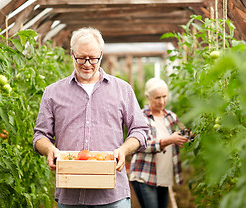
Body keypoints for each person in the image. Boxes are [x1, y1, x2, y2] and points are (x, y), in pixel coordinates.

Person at [33, 27, 149, 207]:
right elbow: (40, 135)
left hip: (113, 195)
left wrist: (124, 150)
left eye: (93, 58)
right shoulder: (53, 93)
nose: (87, 63)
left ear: (101, 55)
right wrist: (49, 150)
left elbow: (140, 130)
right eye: (81, 57)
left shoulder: (122, 90)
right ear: (72, 54)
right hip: (70, 193)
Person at [129, 78, 191, 208]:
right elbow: (141, 144)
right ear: (148, 97)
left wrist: (194, 132)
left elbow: (186, 133)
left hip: (164, 176)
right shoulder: (141, 117)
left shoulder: (171, 117)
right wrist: (170, 140)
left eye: (164, 96)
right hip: (145, 175)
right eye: (157, 98)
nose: (162, 101)